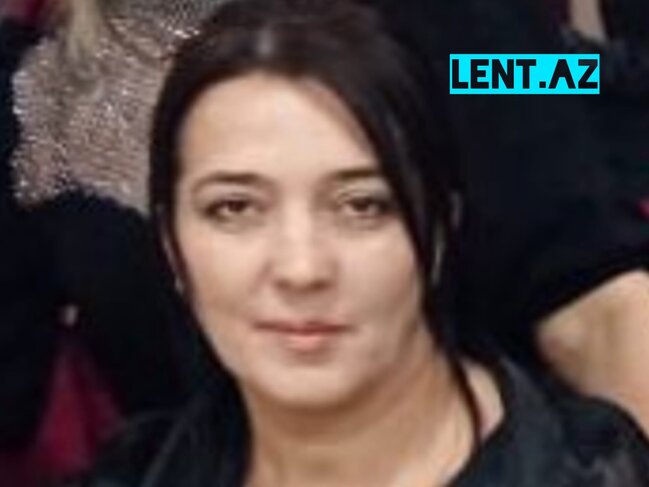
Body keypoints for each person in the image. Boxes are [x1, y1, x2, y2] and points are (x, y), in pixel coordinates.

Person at [69, 1, 649, 485]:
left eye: (363, 205)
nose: (299, 267)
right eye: (234, 208)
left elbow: (596, 293)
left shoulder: (459, 25)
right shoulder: (60, 84)